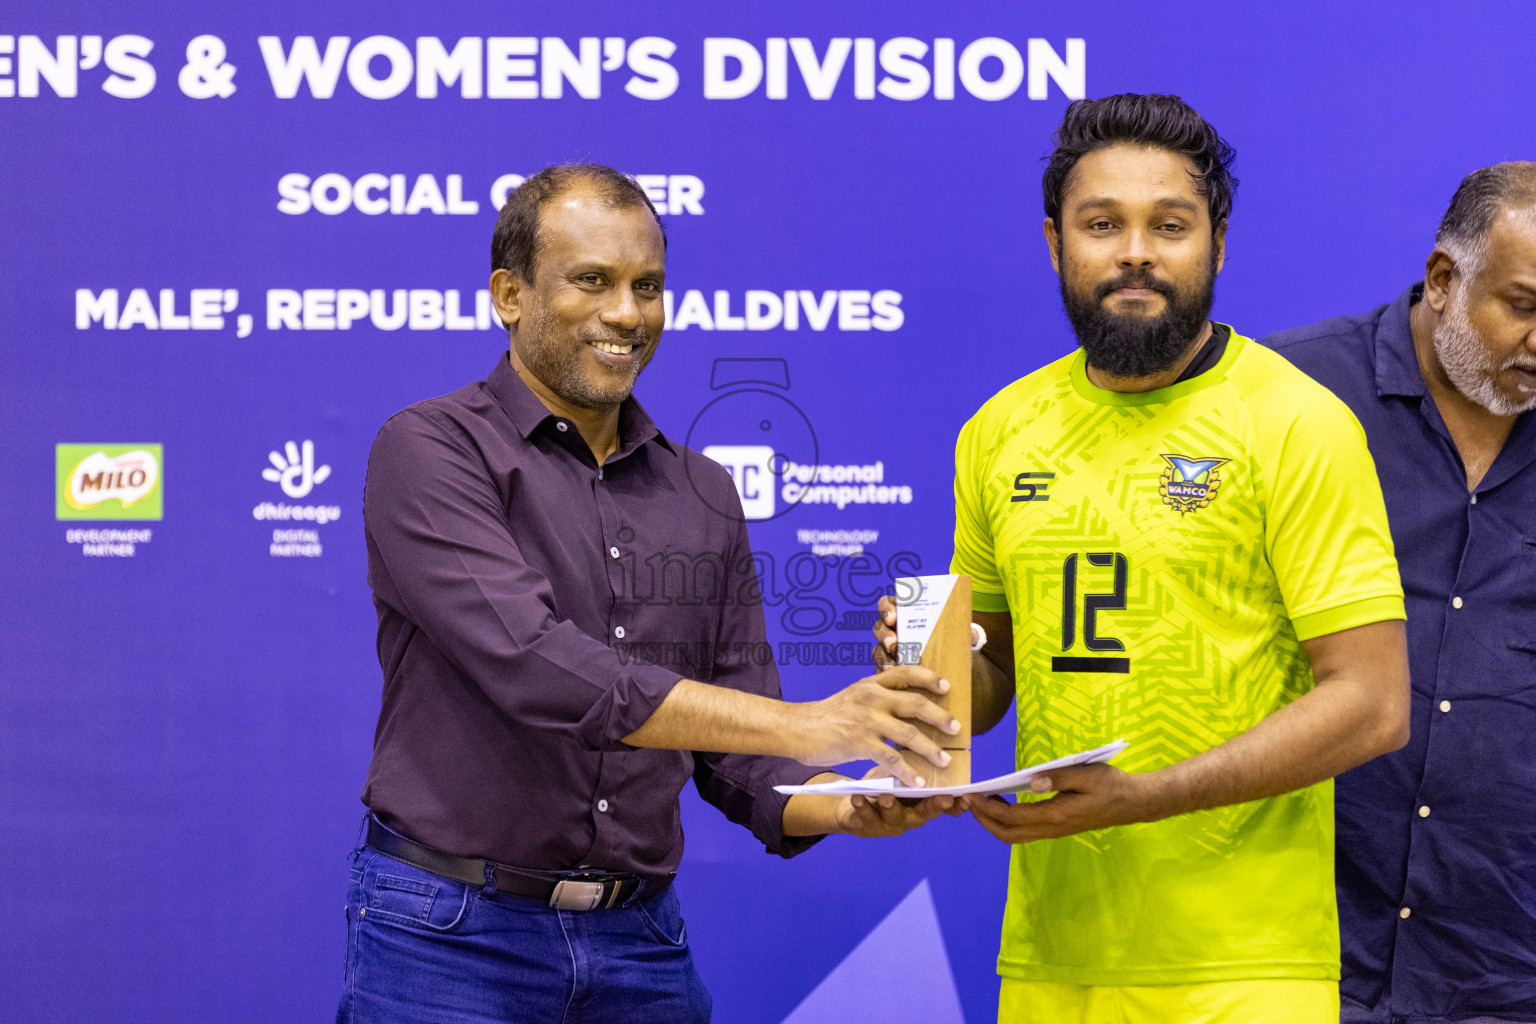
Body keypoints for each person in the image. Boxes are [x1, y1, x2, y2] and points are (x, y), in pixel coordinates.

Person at [339, 163, 960, 1024]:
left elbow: (741, 741)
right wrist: (819, 721)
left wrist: (844, 803)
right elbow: (535, 664)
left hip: (642, 947)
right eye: (592, 281)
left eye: (648, 287)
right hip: (450, 938)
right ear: (509, 295)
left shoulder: (702, 489)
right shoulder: (429, 449)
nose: (627, 314)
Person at [872, 94, 1411, 1024]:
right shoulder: (998, 431)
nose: (1135, 252)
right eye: (1102, 224)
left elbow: (1372, 705)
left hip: (1248, 966)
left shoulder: (1296, 423)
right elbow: (991, 680)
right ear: (1055, 244)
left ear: (1217, 244)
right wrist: (930, 672)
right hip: (1051, 952)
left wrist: (1144, 798)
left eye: (1169, 225)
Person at [1263, 162, 1536, 1024]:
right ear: (1443, 279)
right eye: (1525, 307)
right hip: (1290, 958)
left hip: (1502, 970)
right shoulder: (1285, 397)